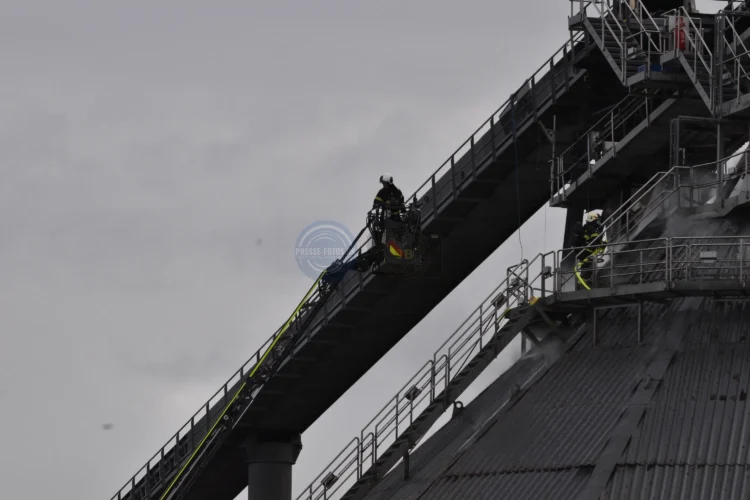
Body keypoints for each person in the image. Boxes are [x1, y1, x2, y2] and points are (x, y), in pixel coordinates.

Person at [575, 212, 606, 289]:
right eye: (597, 220)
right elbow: (596, 241)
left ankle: (583, 283)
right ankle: (584, 283)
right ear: (593, 219)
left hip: (583, 252)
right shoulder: (591, 229)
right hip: (587, 252)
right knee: (588, 268)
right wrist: (603, 244)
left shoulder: (586, 227)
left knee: (586, 268)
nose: (597, 222)